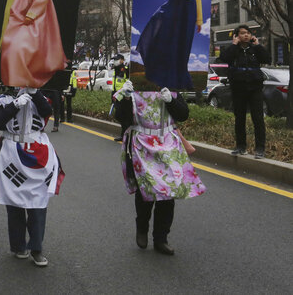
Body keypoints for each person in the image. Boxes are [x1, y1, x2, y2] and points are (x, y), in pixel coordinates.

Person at [114, 81, 206, 255]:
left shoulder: (170, 88)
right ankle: (142, 227)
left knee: (168, 192)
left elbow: (183, 114)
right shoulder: (131, 88)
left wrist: (171, 100)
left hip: (168, 146)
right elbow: (121, 117)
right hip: (142, 145)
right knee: (145, 192)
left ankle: (161, 238)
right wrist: (125, 98)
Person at [0, 87, 63, 267]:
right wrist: (14, 105)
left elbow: (47, 111)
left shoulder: (42, 95)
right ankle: (18, 246)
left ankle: (36, 249)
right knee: (14, 203)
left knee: (38, 203)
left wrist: (34, 93)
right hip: (11, 154)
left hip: (37, 153)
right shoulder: (2, 98)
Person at [135, 0, 203, 90]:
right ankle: (160, 69)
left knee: (184, 43)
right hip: (176, 9)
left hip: (189, 14)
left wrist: (199, 21)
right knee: (164, 30)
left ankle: (179, 74)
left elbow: (197, 2)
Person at [218, 25, 271, 158]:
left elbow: (267, 59)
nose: (246, 35)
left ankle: (260, 149)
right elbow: (224, 58)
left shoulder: (255, 49)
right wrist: (234, 45)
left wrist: (258, 46)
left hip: (255, 89)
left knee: (258, 119)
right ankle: (241, 147)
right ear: (236, 36)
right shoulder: (233, 50)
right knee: (239, 118)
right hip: (238, 89)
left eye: (248, 33)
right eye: (242, 33)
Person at [112, 56, 130, 142]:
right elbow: (115, 85)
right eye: (114, 60)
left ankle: (125, 135)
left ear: (122, 60)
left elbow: (128, 83)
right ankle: (123, 135)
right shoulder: (116, 69)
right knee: (120, 116)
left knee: (122, 116)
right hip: (116, 96)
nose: (115, 61)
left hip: (123, 97)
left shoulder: (125, 69)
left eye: (117, 59)